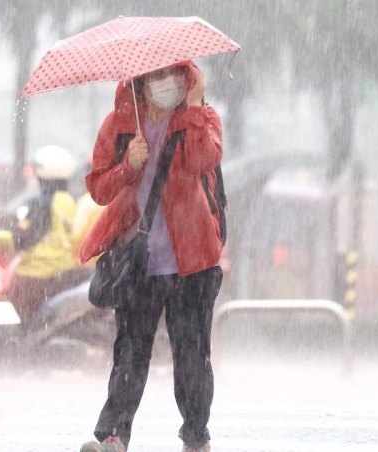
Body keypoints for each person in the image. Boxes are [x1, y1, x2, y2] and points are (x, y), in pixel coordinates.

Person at [79, 60, 224, 452]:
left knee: (192, 359)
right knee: (130, 354)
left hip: (192, 262)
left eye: (176, 75)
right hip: (138, 263)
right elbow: (98, 189)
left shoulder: (203, 118)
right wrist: (129, 166)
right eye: (158, 76)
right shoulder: (121, 126)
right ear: (140, 82)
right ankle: (114, 437)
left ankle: (196, 438)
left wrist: (193, 107)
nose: (167, 84)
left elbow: (202, 160)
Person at [0, 145, 86, 326]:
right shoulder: (68, 201)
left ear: (42, 174)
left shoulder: (40, 204)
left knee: (5, 307)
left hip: (36, 274)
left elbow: (21, 239)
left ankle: (14, 342)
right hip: (62, 272)